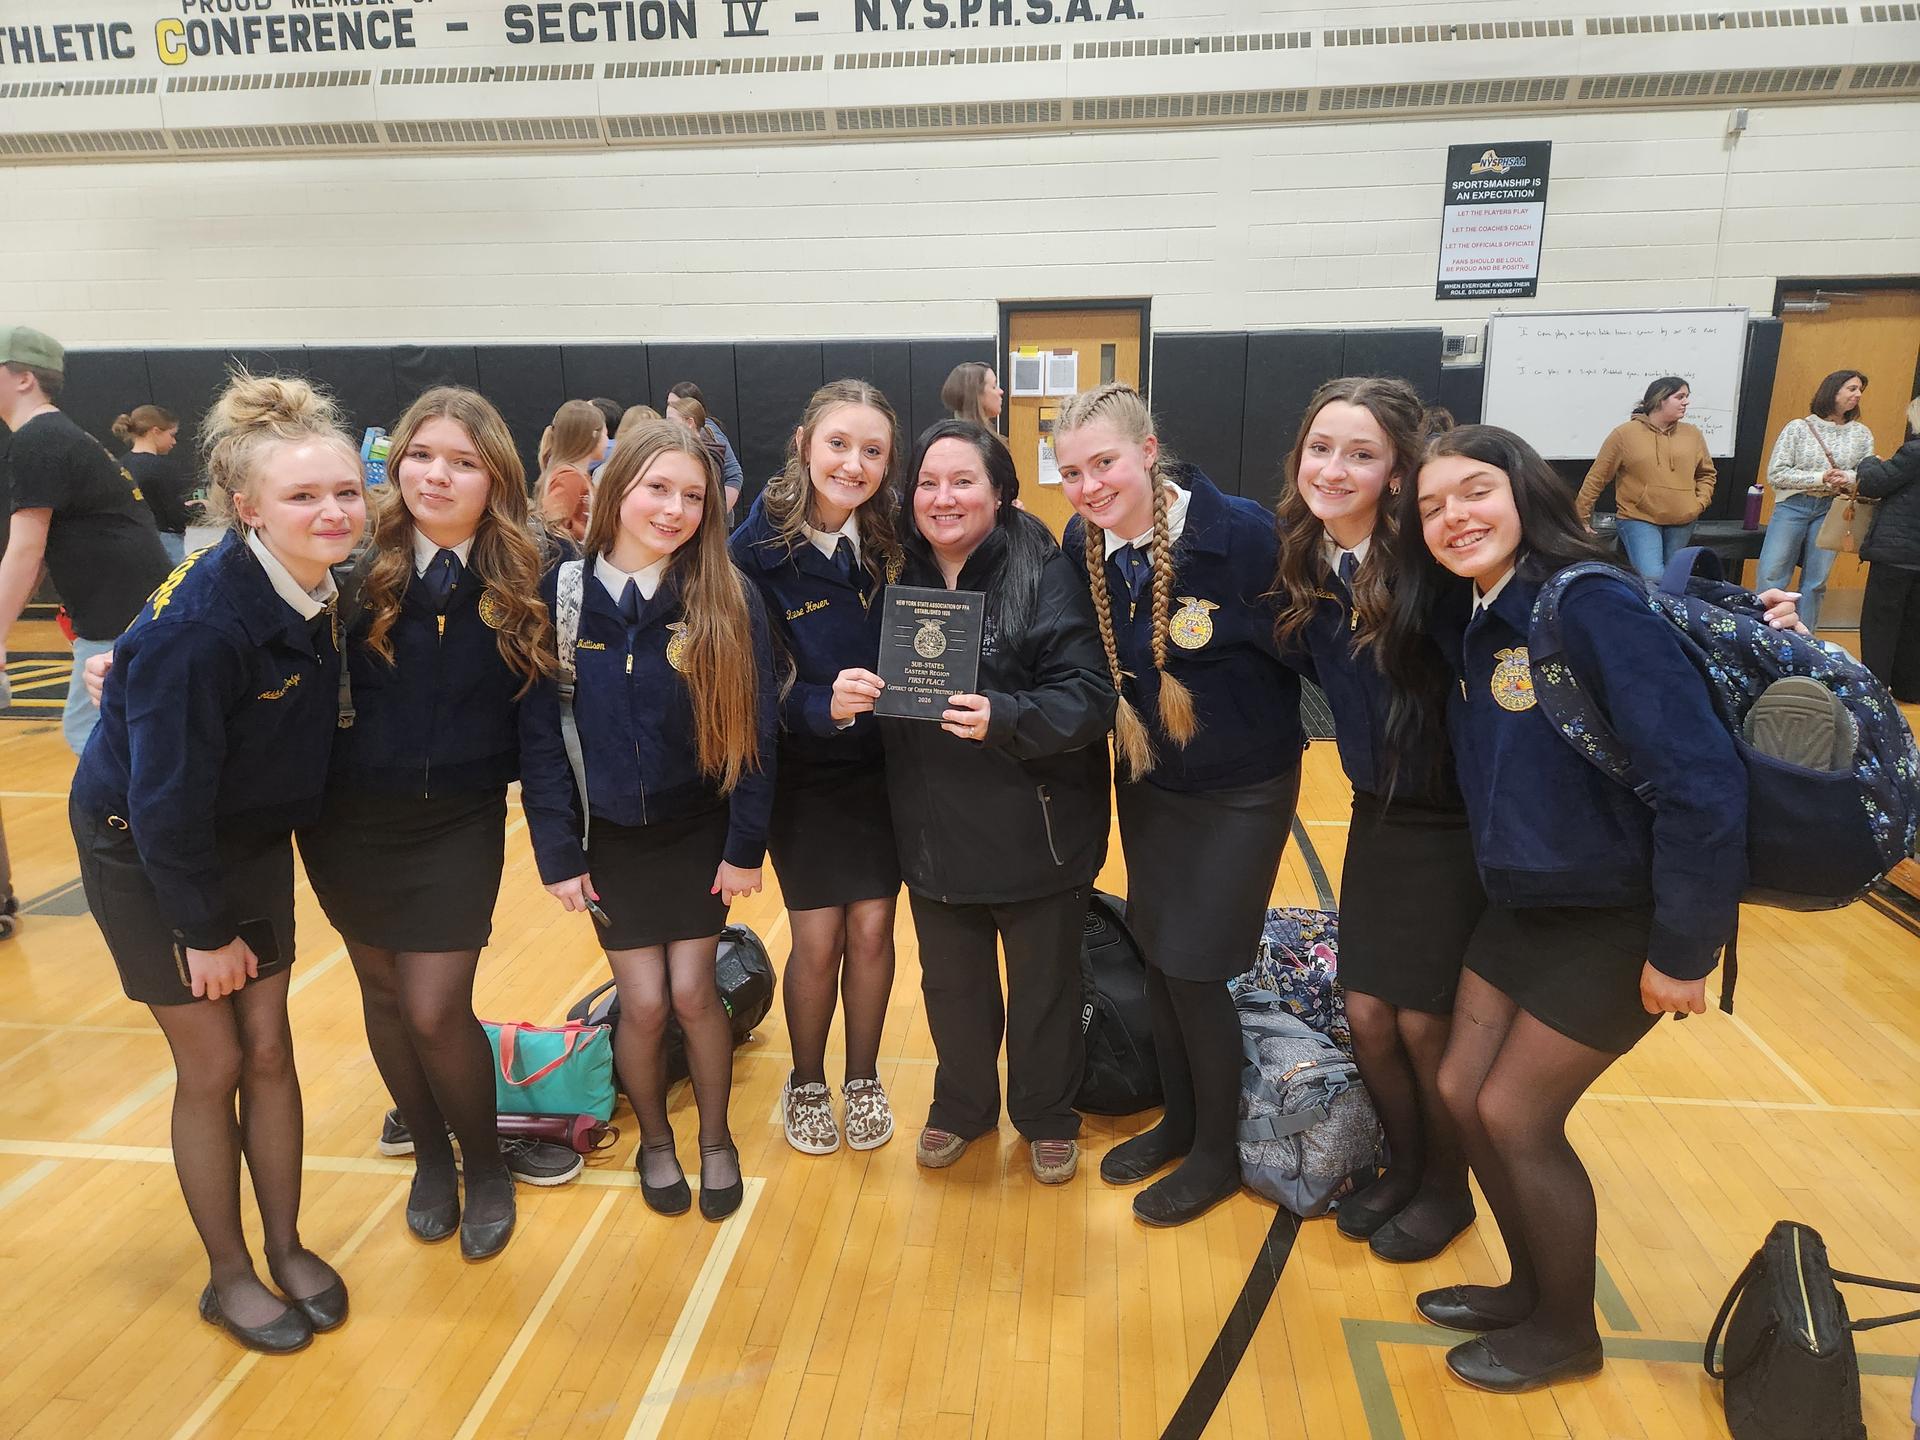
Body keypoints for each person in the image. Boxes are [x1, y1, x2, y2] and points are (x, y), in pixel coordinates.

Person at [1383, 423, 1749, 1394]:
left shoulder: (1589, 604)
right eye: (1432, 506)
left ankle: (1565, 1331)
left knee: (1514, 1114)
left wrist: (1686, 948)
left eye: (1474, 492)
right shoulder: (1480, 611)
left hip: (1618, 912)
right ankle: (1528, 1288)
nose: (1454, 517)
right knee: (1461, 1090)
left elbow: (1704, 783)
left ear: (1525, 492)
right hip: (1526, 904)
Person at [69, 371, 366, 1354]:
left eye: (345, 491)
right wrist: (201, 932)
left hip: (243, 838)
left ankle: (284, 1244)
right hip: (147, 849)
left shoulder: (322, 582)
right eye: (302, 495)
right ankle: (229, 1273)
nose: (332, 512)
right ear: (248, 509)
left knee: (270, 1048)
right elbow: (162, 802)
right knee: (216, 1062)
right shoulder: (204, 625)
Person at [299, 387, 582, 1260]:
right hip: (347, 821)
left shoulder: (535, 571)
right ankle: (429, 1155)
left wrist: (558, 841)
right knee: (383, 995)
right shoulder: (350, 561)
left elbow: (544, 725)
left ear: (495, 477)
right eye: (421, 455)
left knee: (433, 1007)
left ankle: (486, 1166)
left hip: (459, 820)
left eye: (462, 461)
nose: (436, 475)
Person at [1049, 382, 1301, 1226]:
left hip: (1242, 790)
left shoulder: (1245, 538)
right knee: (1160, 956)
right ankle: (1182, 1123)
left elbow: (1319, 649)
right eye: (1071, 473)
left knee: (1196, 967)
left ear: (1149, 452)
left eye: (1105, 463)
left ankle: (1217, 1155)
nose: (1089, 487)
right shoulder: (1083, 545)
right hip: (1151, 782)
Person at [841, 419, 1115, 1184]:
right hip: (933, 831)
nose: (943, 498)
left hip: (1040, 828)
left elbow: (1089, 697)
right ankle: (962, 1106)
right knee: (952, 987)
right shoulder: (891, 566)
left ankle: (1047, 1114)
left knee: (1045, 990)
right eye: (928, 483)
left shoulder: (1045, 569)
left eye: (963, 482)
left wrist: (1008, 715)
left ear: (1000, 492)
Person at [525, 418, 775, 1221]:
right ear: (614, 489)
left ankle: (716, 1141)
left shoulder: (725, 597)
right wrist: (558, 853)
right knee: (642, 1004)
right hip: (608, 842)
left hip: (698, 835)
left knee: (695, 993)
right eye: (656, 488)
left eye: (693, 496)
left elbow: (756, 734)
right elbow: (541, 738)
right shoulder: (562, 598)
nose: (674, 509)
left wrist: (744, 847)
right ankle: (657, 1141)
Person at [1268, 377, 1483, 1262]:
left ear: (1397, 473)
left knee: (1425, 1022)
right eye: (1321, 448)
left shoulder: (1433, 562)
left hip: (1453, 820)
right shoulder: (1311, 559)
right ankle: (1405, 1162)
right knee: (1367, 1013)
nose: (1333, 469)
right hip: (1377, 813)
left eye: (1360, 454)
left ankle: (1448, 1187)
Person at [730, 380, 907, 1157]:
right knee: (819, 935)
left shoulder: (895, 537)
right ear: (804, 443)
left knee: (872, 928)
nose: (853, 464)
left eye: (872, 450)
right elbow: (747, 691)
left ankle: (862, 1077)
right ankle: (806, 1081)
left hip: (886, 771)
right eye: (839, 443)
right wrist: (818, 706)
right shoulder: (752, 552)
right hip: (802, 774)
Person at [0, 326, 171, 756]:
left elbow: (25, 549)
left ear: (24, 379)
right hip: (125, 609)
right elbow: (36, 556)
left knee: (92, 735)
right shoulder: (55, 435)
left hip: (117, 615)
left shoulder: (38, 439)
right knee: (105, 735)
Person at [1757, 369, 1874, 633]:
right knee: (1772, 574)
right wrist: (1821, 477)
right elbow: (1777, 474)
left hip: (1832, 509)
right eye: (1852, 388)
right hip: (1793, 506)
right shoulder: (1798, 428)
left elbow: (1867, 474)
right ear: (1833, 391)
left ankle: (1806, 638)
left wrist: (1846, 477)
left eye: (1860, 390)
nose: (1857, 395)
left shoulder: (1862, 433)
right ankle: (1763, 633)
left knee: (1816, 581)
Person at [1575, 377, 1717, 582]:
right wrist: (1580, 517)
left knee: (1674, 579)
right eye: (1680, 397)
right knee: (1653, 577)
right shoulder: (1624, 434)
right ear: (1660, 399)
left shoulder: (1692, 434)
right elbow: (1597, 477)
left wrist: (1699, 503)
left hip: (1683, 519)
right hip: (1639, 517)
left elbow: (1706, 474)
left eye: (1687, 397)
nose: (1686, 402)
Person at [1857, 395, 1920, 701]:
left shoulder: (1914, 452)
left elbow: (1873, 483)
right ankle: (1910, 688)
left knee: (1880, 623)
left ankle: (1875, 687)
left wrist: (1869, 462)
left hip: (1897, 552)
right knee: (1914, 625)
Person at [115, 405, 193, 564]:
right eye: (171, 435)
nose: (174, 441)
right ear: (155, 431)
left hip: (133, 540)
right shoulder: (161, 468)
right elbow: (173, 512)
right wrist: (196, 509)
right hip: (165, 540)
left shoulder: (121, 465)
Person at [535, 399, 606, 546]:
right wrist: (582, 533)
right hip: (570, 554)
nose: (607, 440)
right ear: (592, 437)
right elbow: (554, 522)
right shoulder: (569, 477)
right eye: (605, 434)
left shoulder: (577, 475)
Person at [667, 382, 745, 514]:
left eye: (677, 404)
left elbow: (734, 473)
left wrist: (719, 514)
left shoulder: (708, 432)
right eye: (669, 404)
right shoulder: (681, 440)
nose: (671, 408)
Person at [941, 362, 1005, 431]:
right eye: (994, 387)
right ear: (976, 395)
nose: (1001, 391)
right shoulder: (962, 436)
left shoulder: (978, 434)